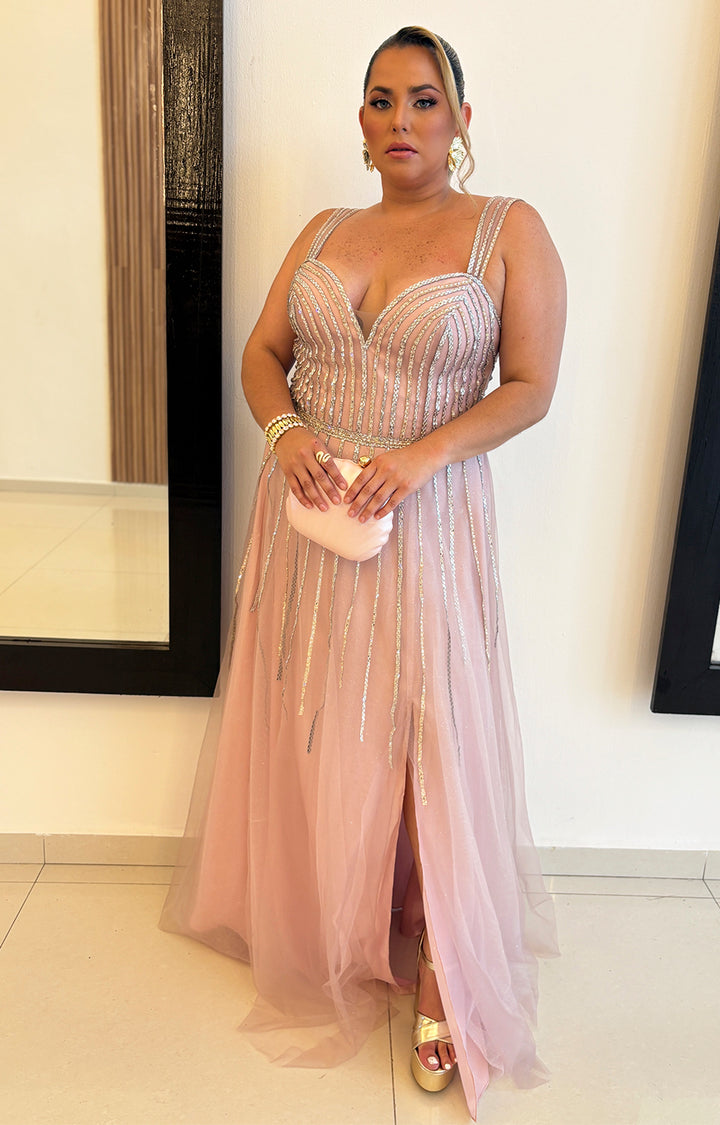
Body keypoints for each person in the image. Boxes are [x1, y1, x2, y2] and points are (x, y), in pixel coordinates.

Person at [161, 25, 566, 1121]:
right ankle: (333, 914)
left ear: (462, 119)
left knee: (428, 726)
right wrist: (285, 429)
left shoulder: (508, 230)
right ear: (361, 120)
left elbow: (531, 385)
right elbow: (262, 354)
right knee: (322, 712)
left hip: (425, 520)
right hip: (308, 516)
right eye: (382, 100)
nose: (401, 120)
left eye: (425, 100)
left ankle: (445, 959)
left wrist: (422, 458)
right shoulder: (325, 229)